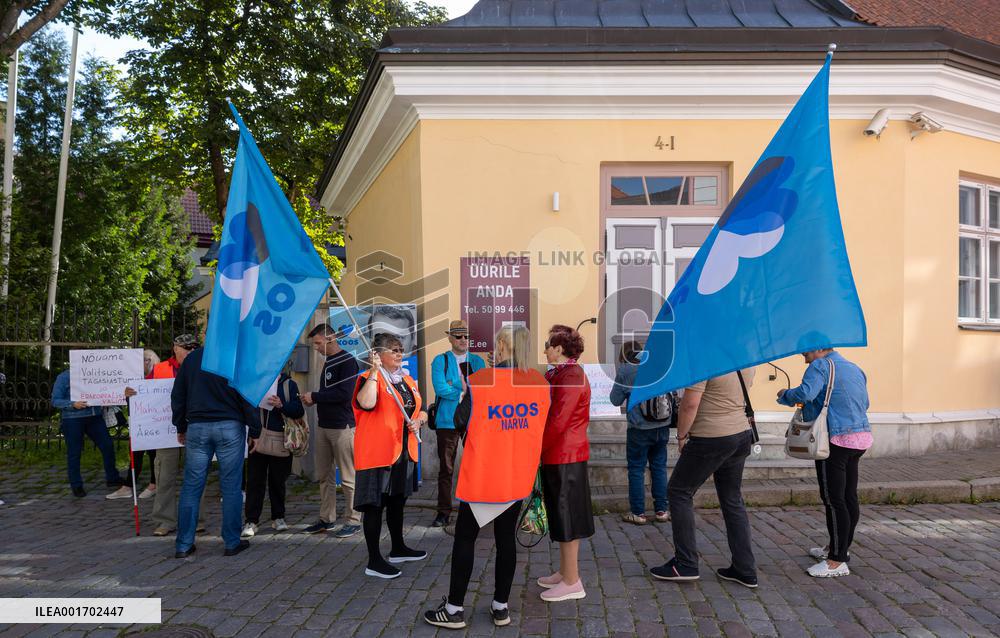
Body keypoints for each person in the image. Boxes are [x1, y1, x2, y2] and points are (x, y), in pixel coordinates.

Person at [424, 326, 551, 630]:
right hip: (517, 475)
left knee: (465, 539)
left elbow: (458, 420)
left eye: (497, 342)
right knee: (506, 540)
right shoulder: (539, 382)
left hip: (483, 474)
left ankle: (454, 609)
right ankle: (501, 606)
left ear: (504, 345)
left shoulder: (480, 380)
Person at [652, 370, 758, 588]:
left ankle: (685, 563)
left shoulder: (705, 361)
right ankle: (744, 568)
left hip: (711, 436)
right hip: (740, 434)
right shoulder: (744, 359)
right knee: (732, 499)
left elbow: (690, 404)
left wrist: (681, 436)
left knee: (679, 492)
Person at [777, 347, 871, 578]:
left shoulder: (820, 366)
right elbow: (865, 403)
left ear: (820, 348)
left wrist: (785, 394)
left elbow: (805, 394)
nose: (801, 353)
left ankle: (836, 560)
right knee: (848, 497)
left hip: (834, 441)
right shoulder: (854, 368)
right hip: (859, 438)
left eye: (805, 348)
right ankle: (838, 548)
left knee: (833, 500)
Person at [171, 346, 261, 559]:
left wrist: (180, 426)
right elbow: (247, 395)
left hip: (198, 426)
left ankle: (184, 544)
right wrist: (255, 429)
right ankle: (231, 541)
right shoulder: (235, 356)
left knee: (192, 486)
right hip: (229, 426)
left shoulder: (192, 359)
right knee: (231, 486)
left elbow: (178, 395)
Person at [352, 332, 428, 579]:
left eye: (401, 349)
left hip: (404, 452)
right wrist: (374, 371)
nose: (399, 354)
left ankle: (398, 548)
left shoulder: (406, 380)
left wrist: (419, 420)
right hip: (378, 453)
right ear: (379, 354)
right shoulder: (368, 378)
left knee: (397, 501)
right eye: (394, 350)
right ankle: (374, 560)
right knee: (375, 506)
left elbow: (421, 411)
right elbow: (366, 403)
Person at [537, 324, 593, 602]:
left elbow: (558, 421)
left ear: (559, 348)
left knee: (567, 517)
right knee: (561, 516)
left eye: (548, 344)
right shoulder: (563, 374)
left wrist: (536, 448)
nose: (544, 349)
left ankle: (572, 581)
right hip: (560, 454)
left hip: (564, 455)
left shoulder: (570, 377)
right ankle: (566, 572)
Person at [301, 323, 362, 537]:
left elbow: (344, 394)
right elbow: (330, 393)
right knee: (324, 476)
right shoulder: (328, 360)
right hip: (324, 425)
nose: (316, 348)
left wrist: (315, 397)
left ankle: (354, 519)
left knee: (347, 476)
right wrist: (313, 399)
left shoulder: (347, 361)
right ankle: (326, 518)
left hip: (342, 427)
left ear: (330, 338)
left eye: (318, 343)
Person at [429, 319, 486, 527]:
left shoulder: (477, 361)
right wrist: (464, 391)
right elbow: (440, 388)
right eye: (459, 336)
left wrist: (456, 388)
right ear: (450, 338)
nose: (463, 340)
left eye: (466, 336)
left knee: (476, 466)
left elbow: (483, 388)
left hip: (473, 420)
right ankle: (443, 512)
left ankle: (476, 509)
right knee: (446, 468)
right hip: (447, 421)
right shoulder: (440, 360)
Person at [610, 340, 672, 525]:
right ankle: (662, 510)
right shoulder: (659, 366)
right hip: (662, 425)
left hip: (639, 428)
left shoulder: (626, 370)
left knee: (636, 469)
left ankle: (638, 513)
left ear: (623, 355)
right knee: (659, 467)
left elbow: (615, 400)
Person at [242, 370, 304, 537]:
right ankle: (251, 520)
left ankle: (278, 517)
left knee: (278, 481)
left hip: (281, 439)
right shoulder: (255, 382)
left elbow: (298, 410)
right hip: (257, 438)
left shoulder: (289, 384)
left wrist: (281, 404)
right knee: (255, 481)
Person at [149, 335, 200, 536]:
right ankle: (165, 520)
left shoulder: (203, 366)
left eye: (192, 348)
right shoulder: (160, 369)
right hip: (166, 431)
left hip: (195, 427)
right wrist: (132, 394)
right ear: (174, 348)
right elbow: (145, 392)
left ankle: (198, 519)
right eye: (184, 348)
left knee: (197, 475)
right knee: (165, 476)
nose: (188, 352)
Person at [51, 368, 123, 497]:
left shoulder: (95, 375)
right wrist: (73, 404)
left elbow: (104, 391)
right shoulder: (64, 377)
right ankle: (76, 485)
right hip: (72, 419)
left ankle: (112, 478)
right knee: (74, 452)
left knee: (107, 445)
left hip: (94, 416)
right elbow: (55, 400)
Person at [112, 349, 162, 501]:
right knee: (135, 454)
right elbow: (130, 403)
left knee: (154, 455)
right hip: (139, 423)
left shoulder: (159, 377)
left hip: (154, 423)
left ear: (151, 361)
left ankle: (154, 484)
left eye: (144, 360)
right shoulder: (135, 379)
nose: (141, 363)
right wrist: (126, 394)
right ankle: (128, 486)